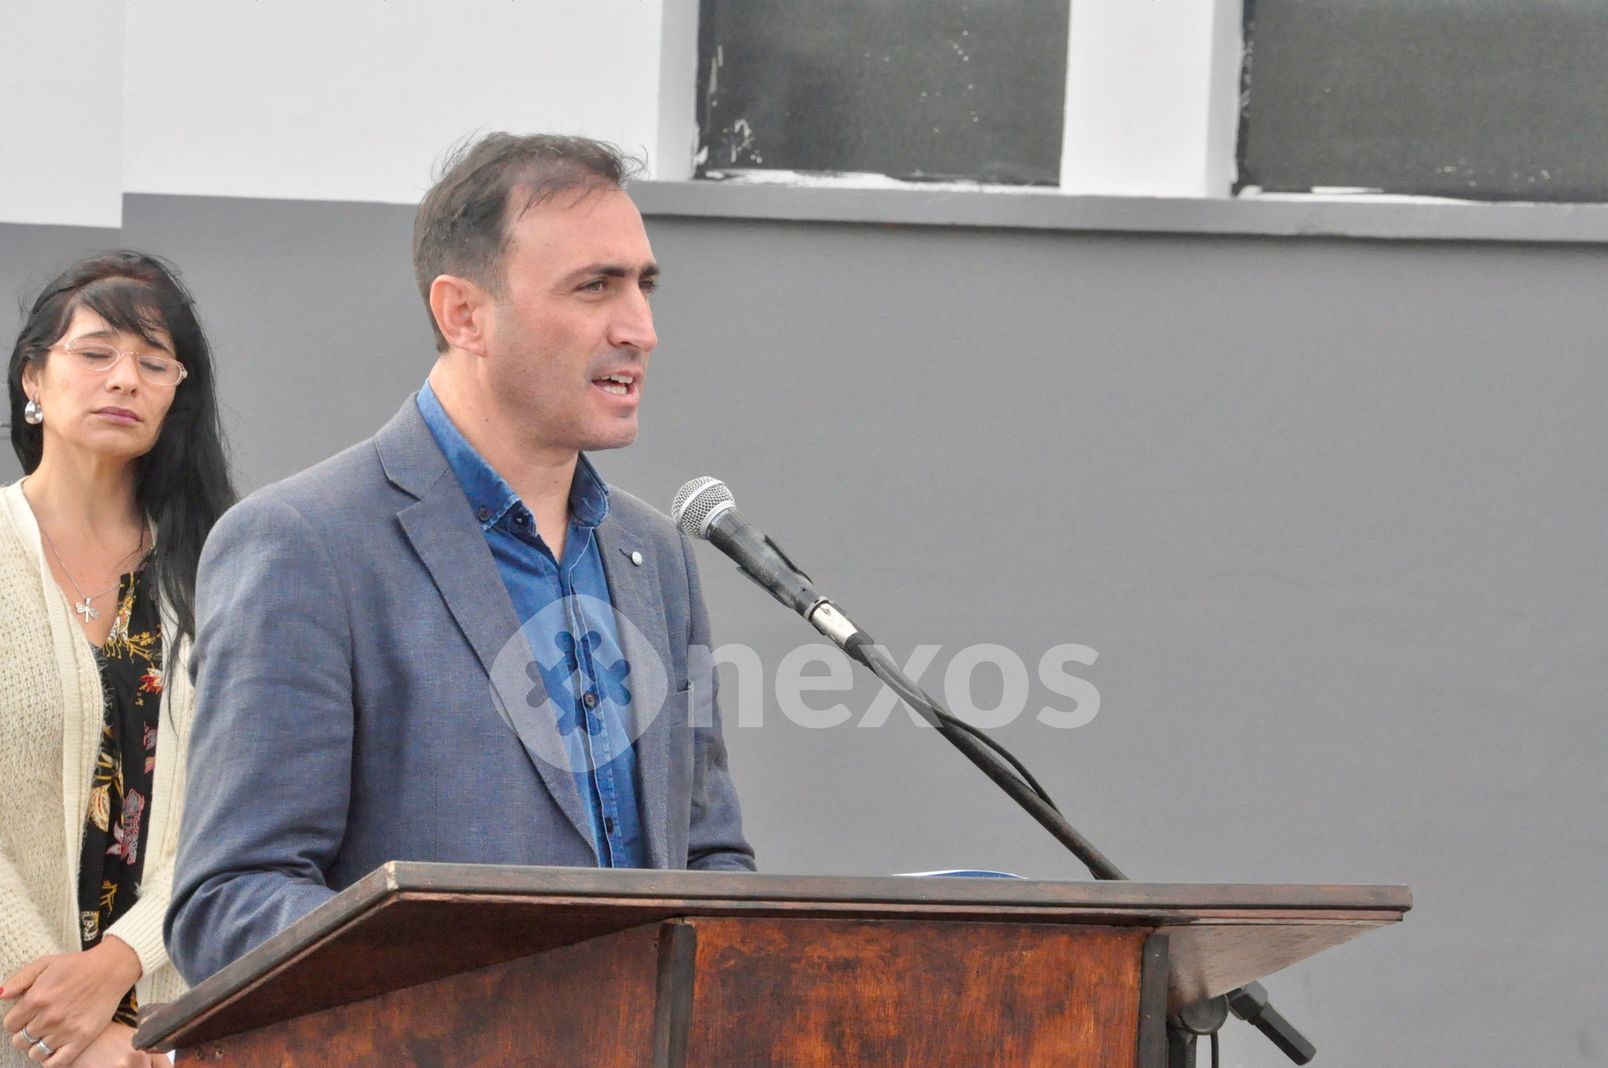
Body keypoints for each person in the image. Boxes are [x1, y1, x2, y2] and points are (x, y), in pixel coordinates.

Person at [166, 133, 755, 984]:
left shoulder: (655, 553)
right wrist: (482, 975)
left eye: (644, 285)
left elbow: (708, 855)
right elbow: (229, 902)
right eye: (595, 286)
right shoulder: (304, 544)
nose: (641, 329)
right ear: (463, 314)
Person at [1, 252, 234, 1067]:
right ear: (33, 377)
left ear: (176, 394)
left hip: (177, 1032)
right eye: (96, 352)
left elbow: (243, 806)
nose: (125, 379)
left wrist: (121, 963)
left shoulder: (222, 570)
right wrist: (58, 1018)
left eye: (153, 362)